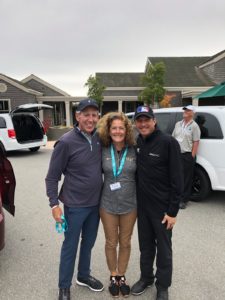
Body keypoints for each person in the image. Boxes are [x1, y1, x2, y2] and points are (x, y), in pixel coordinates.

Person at [45, 98, 104, 300]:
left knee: (88, 243)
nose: (90, 119)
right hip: (74, 206)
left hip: (96, 204)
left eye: (94, 115)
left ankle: (84, 276)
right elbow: (52, 177)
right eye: (85, 114)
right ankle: (64, 286)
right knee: (70, 245)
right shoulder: (66, 142)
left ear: (98, 117)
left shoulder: (99, 138)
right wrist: (54, 204)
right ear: (77, 116)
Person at [131, 106, 183, 300]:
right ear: (136, 123)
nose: (143, 124)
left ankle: (163, 285)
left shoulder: (168, 143)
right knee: (145, 246)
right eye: (139, 120)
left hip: (162, 210)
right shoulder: (138, 142)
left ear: (154, 121)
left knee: (163, 248)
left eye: (146, 119)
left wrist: (173, 212)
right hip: (142, 207)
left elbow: (178, 180)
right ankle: (146, 278)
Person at [97, 112, 137, 298]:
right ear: (109, 130)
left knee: (126, 242)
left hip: (130, 205)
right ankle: (113, 275)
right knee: (111, 242)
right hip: (107, 205)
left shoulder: (134, 148)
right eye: (114, 128)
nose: (118, 131)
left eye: (121, 127)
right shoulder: (102, 148)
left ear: (126, 129)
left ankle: (122, 274)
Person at [172, 105, 201, 209]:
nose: (185, 111)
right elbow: (173, 138)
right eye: (184, 110)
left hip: (187, 155)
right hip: (176, 155)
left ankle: (184, 200)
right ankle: (176, 197)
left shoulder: (194, 126)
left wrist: (191, 156)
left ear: (192, 113)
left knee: (186, 178)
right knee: (176, 177)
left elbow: (196, 142)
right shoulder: (178, 124)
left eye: (188, 110)